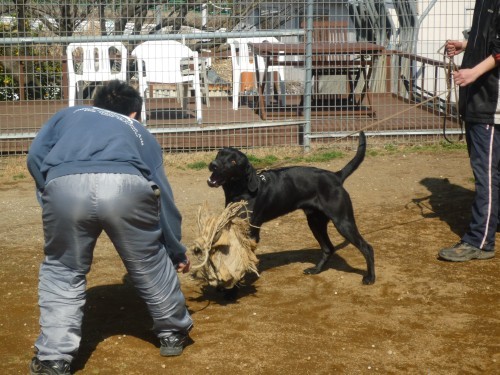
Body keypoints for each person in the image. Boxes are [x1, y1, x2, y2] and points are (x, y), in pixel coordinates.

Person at [27, 80, 193, 375]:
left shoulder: (69, 114)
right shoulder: (138, 131)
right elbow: (162, 195)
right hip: (126, 185)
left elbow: (35, 157)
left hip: (65, 185)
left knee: (63, 270)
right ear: (134, 114)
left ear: (94, 106)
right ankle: (172, 332)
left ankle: (54, 358)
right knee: (149, 262)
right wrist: (175, 249)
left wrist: (50, 192)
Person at [438, 0, 500, 262]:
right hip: (479, 100)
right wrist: (466, 46)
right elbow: (489, 42)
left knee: (486, 173)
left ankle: (480, 240)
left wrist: (474, 72)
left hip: (490, 101)